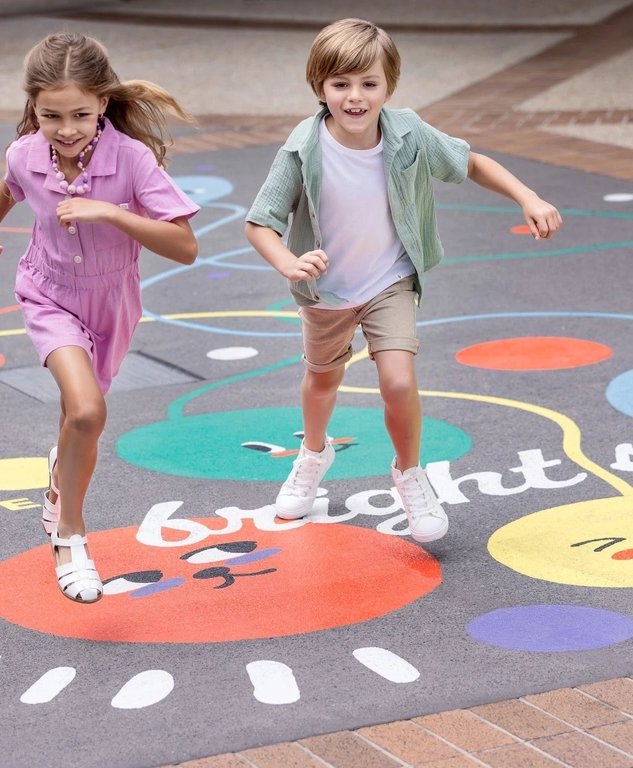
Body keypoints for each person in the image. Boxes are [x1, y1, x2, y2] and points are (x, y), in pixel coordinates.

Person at [245, 18, 562, 543]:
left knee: (397, 380)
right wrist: (287, 262)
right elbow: (261, 222)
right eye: (341, 84)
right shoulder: (302, 149)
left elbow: (471, 161)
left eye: (369, 84)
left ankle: (409, 474)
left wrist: (527, 197)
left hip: (389, 280)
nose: (355, 97)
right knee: (322, 382)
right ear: (320, 86)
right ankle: (313, 455)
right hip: (327, 289)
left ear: (388, 86)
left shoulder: (408, 132)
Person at [0, 33, 199, 603]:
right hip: (49, 296)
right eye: (50, 116)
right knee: (88, 411)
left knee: (80, 421)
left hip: (113, 304)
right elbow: (10, 186)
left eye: (79, 114)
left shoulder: (133, 160)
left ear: (102, 103)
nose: (66, 129)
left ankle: (59, 481)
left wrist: (111, 214)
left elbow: (185, 246)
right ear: (33, 109)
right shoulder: (26, 151)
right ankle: (69, 537)